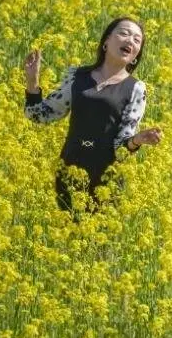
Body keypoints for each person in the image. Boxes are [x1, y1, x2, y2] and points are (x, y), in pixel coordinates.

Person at [23, 17, 163, 214]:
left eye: (137, 40)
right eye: (124, 33)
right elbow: (41, 115)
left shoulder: (136, 89)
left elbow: (121, 144)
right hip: (69, 173)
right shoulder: (77, 76)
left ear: (136, 55)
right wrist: (32, 83)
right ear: (106, 41)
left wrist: (138, 139)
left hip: (106, 182)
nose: (130, 40)